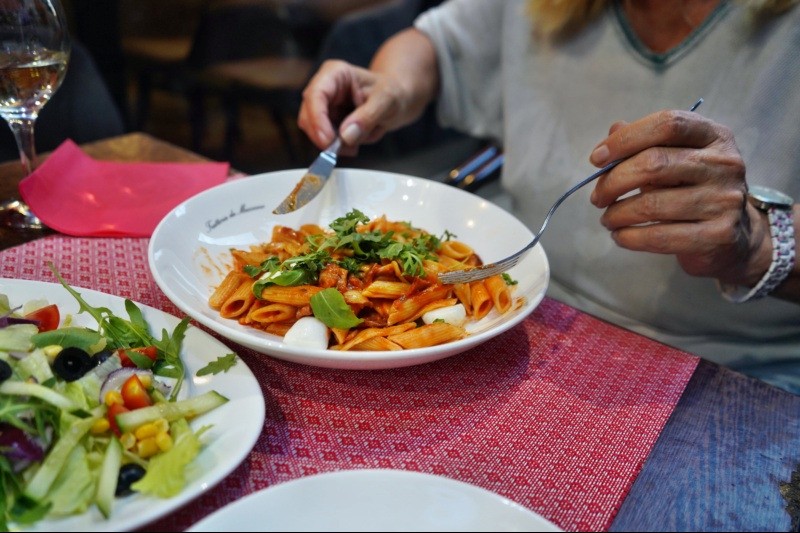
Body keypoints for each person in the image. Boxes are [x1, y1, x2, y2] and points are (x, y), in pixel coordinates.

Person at [296, 0, 800, 393]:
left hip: (733, 370)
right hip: (524, 326)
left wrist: (758, 243)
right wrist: (390, 85)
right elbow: (432, 44)